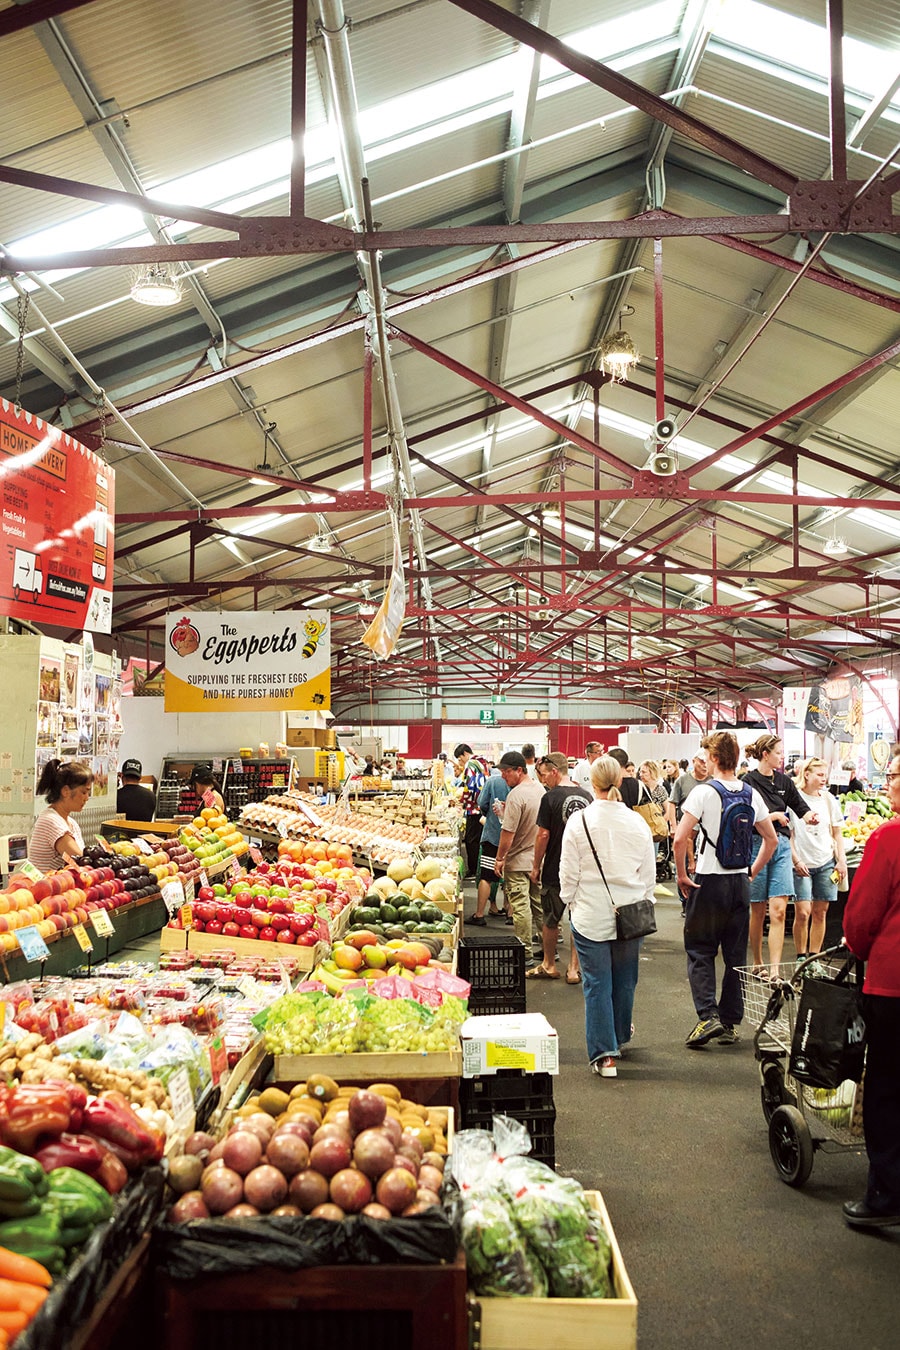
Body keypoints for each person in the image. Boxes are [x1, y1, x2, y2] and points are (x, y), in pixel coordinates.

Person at [674, 731, 778, 1047]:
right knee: (735, 956)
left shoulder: (704, 793)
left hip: (708, 881)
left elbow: (680, 839)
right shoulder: (750, 793)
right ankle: (731, 1023)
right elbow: (771, 840)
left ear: (716, 758)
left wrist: (680, 875)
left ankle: (708, 1018)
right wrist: (751, 872)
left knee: (700, 950)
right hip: (738, 884)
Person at [559, 755, 656, 1077]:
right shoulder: (636, 821)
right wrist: (643, 898)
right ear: (620, 780)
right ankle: (620, 1036)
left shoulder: (580, 821)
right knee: (626, 980)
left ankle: (604, 1055)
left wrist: (570, 902)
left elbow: (568, 871)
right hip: (631, 912)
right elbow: (648, 872)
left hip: (590, 913)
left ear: (592, 783)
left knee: (597, 983)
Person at [841, 745, 900, 1229]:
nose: (891, 780)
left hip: (892, 984)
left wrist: (858, 949)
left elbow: (861, 918)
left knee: (886, 1088)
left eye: (897, 774)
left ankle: (886, 1194)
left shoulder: (889, 838)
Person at [743, 734, 818, 977]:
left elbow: (799, 805)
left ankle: (775, 970)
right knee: (758, 910)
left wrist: (809, 816)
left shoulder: (785, 781)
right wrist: (772, 817)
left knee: (779, 910)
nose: (781, 756)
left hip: (783, 846)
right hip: (757, 845)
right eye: (777, 752)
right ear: (765, 754)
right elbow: (745, 817)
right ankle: (757, 961)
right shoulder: (749, 782)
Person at [528, 753, 590, 982]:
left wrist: (536, 866)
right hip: (583, 868)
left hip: (556, 866)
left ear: (555, 771)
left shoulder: (550, 798)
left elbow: (543, 834)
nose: (543, 780)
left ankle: (549, 964)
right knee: (578, 918)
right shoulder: (587, 796)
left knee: (551, 918)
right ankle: (574, 969)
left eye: (544, 775)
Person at [788, 757, 847, 960]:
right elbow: (789, 835)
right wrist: (796, 860)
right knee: (803, 912)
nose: (824, 779)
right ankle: (800, 957)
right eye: (820, 774)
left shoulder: (829, 800)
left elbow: (837, 833)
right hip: (801, 864)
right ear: (807, 774)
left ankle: (814, 958)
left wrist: (841, 861)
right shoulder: (794, 800)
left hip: (826, 863)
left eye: (825, 775)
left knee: (820, 913)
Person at [492, 751, 545, 966]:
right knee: (539, 905)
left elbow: (508, 832)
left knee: (521, 906)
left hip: (517, 861)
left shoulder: (516, 795)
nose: (503, 776)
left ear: (519, 770)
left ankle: (524, 954)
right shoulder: (540, 790)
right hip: (537, 859)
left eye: (506, 771)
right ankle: (547, 948)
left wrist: (499, 858)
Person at [29, 759, 94, 872]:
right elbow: (80, 861)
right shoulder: (51, 822)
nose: (87, 798)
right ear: (66, 791)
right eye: (84, 792)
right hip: (47, 887)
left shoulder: (71, 823)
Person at [467, 771, 510, 926]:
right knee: (510, 876)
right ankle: (510, 913)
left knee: (487, 876)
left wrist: (490, 815)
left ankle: (479, 914)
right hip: (513, 836)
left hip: (493, 834)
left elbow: (482, 802)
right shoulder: (522, 784)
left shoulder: (493, 781)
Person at [454, 743, 487, 876]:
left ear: (464, 754)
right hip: (482, 806)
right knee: (479, 839)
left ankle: (473, 869)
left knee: (471, 840)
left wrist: (463, 800)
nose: (460, 762)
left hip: (474, 808)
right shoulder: (482, 761)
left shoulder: (471, 764)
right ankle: (479, 868)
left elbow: (470, 786)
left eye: (460, 759)